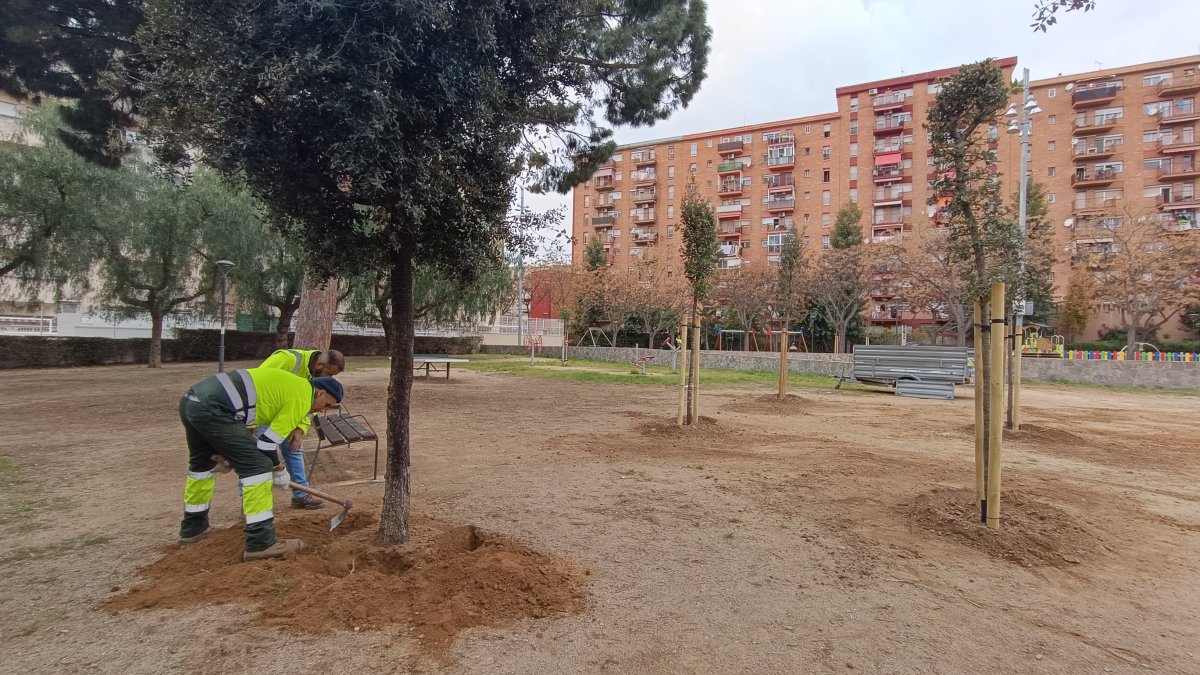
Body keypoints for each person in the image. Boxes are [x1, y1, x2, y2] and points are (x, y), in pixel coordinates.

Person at [178, 367, 344, 561]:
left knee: (202, 468)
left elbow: (251, 417)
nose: (322, 410)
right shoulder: (302, 397)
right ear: (320, 392)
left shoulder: (292, 386)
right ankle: (261, 542)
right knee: (258, 468)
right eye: (326, 404)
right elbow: (266, 444)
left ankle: (193, 528)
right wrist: (279, 470)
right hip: (216, 408)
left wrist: (228, 452)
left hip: (193, 401)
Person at [258, 348, 346, 509]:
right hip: (262, 412)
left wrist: (300, 428)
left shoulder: (316, 378)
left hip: (287, 416)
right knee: (259, 457)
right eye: (328, 373)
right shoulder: (287, 359)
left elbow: (309, 406)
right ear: (319, 364)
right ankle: (253, 502)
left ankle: (301, 496)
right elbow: (258, 383)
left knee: (294, 448)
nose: (328, 379)